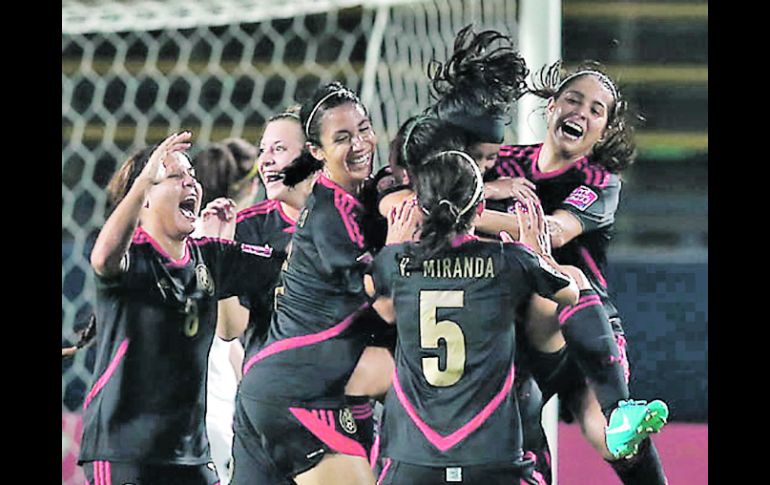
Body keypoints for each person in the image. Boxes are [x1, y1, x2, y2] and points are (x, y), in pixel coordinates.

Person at [484, 61, 669, 484]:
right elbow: (441, 184)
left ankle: (619, 414)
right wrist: (484, 188)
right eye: (573, 100)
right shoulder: (502, 164)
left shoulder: (599, 180)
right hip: (517, 339)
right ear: (551, 107)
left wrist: (469, 212)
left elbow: (552, 232)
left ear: (603, 132)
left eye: (596, 110)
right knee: (520, 444)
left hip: (583, 329)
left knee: (611, 438)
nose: (581, 113)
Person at [368, 134, 581, 484]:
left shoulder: (395, 261)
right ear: (481, 208)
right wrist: (540, 255)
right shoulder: (511, 260)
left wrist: (391, 247)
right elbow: (569, 293)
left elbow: (367, 301)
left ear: (421, 207)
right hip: (493, 456)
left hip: (413, 456)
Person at [77, 132, 282, 485]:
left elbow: (289, 266)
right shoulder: (134, 258)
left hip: (191, 456)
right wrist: (144, 177)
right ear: (142, 199)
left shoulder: (210, 256)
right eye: (173, 176)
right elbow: (102, 258)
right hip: (126, 452)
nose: (190, 181)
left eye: (192, 176)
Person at [230, 83, 398, 485]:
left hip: (283, 388)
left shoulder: (355, 199)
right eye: (342, 137)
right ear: (316, 152)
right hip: (295, 394)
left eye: (363, 129)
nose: (359, 143)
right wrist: (402, 247)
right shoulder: (328, 214)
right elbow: (383, 297)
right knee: (417, 372)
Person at [191, 136, 261, 484]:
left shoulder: (175, 241)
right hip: (216, 409)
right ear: (251, 186)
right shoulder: (237, 245)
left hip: (177, 412)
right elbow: (228, 335)